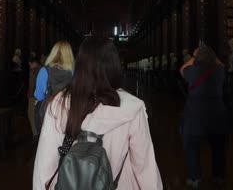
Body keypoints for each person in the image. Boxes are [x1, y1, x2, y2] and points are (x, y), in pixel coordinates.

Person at [33, 36, 163, 190]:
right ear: (114, 66)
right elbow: (144, 166)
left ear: (80, 65)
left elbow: (44, 163)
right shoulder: (132, 107)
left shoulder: (59, 103)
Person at [179, 45, 228, 189]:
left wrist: (194, 56)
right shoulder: (219, 71)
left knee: (192, 145)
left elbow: (181, 70)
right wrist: (211, 54)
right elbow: (222, 65)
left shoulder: (192, 70)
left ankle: (194, 177)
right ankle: (219, 176)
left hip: (195, 113)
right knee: (218, 146)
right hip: (216, 112)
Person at [34, 41, 75, 133]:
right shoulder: (74, 73)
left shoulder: (44, 71)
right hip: (69, 113)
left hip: (50, 113)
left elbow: (39, 96)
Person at [28, 57, 41, 140]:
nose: (30, 66)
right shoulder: (42, 69)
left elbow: (32, 84)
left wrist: (30, 94)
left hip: (33, 96)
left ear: (35, 63)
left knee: (31, 114)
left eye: (30, 64)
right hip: (40, 96)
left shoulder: (33, 71)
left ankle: (35, 133)